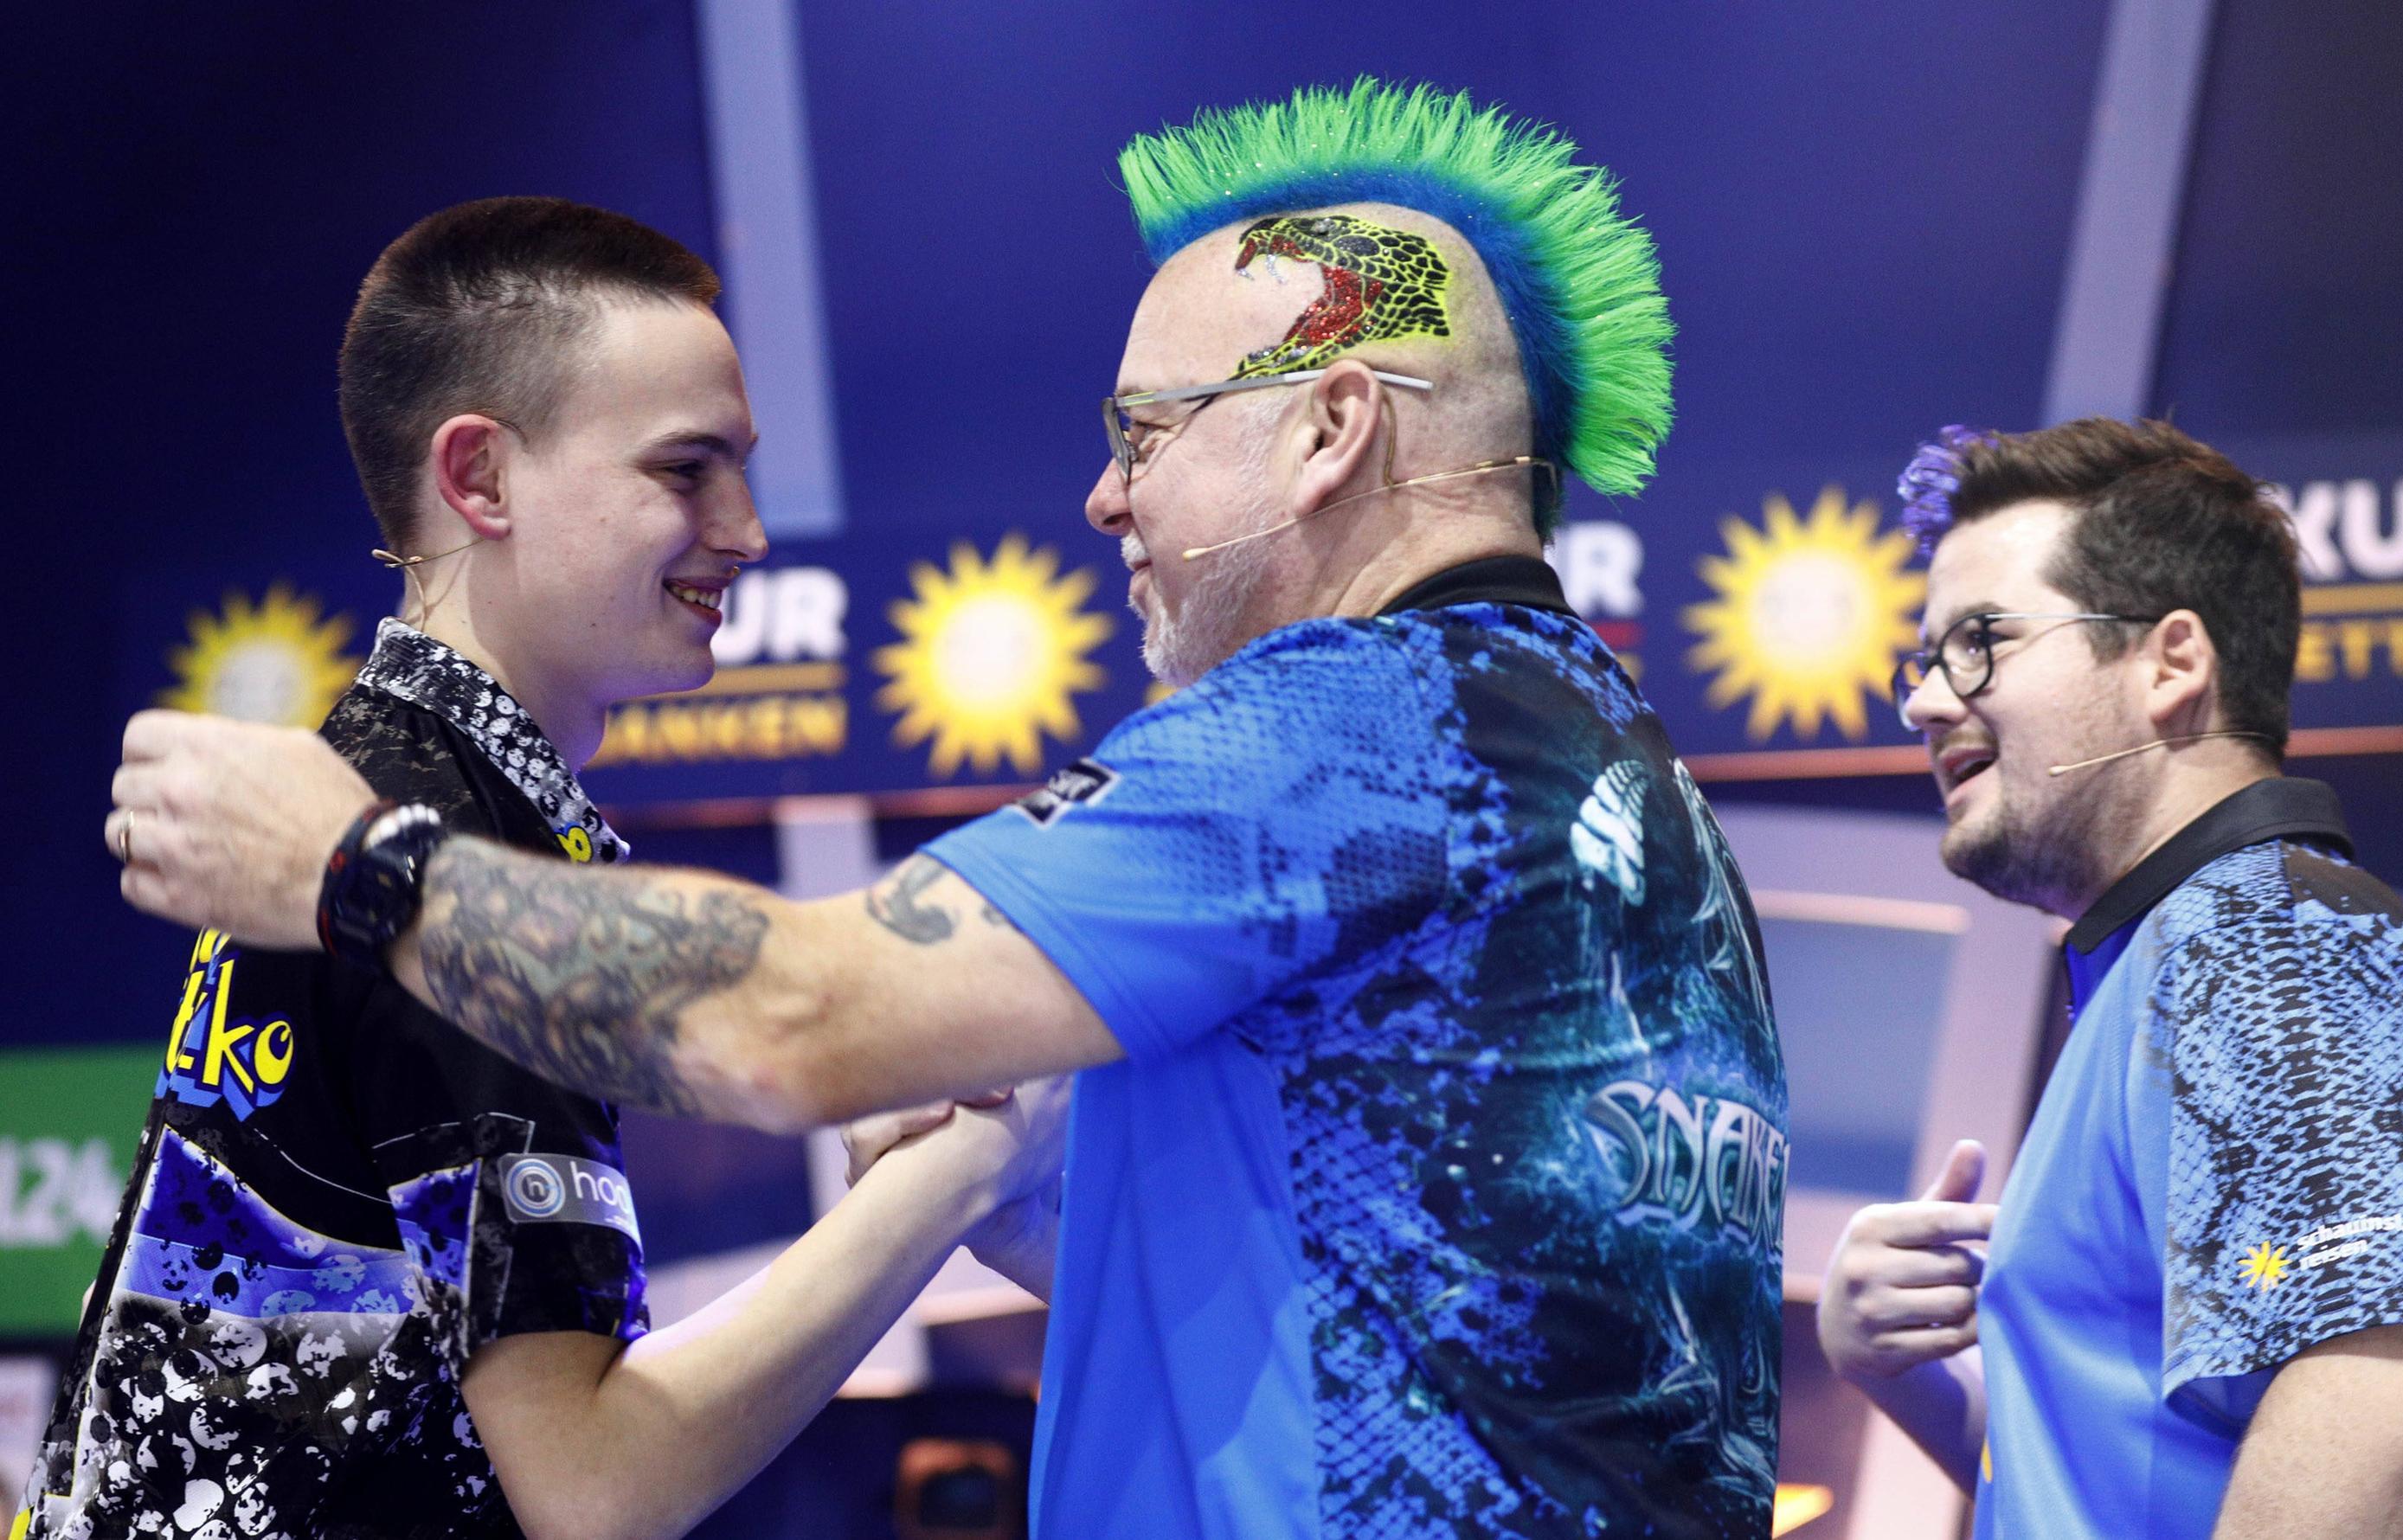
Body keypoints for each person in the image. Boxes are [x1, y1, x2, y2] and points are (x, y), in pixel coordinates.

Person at [102, 81, 1789, 1537]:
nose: (1105, 494)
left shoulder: (1349, 728)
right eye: (687, 467)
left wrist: (353, 865)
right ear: (476, 477)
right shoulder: (1639, 796)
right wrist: (999, 1177)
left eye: (1146, 431)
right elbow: (1381, 1291)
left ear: (1329, 429)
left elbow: (791, 1019)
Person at [19, 197, 1066, 1540]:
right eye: (685, 470)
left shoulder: (397, 795)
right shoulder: (435, 850)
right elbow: (598, 1483)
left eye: (740, 469)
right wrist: (966, 1170)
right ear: (482, 479)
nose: (747, 530)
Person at [1815, 416, 2403, 1537]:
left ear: (2172, 664)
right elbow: (2113, 1487)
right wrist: (1898, 1372)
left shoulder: (2257, 942)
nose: (1929, 700)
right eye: (1927, 659)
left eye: (1982, 641)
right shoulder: (2184, 953)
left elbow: (2387, 1396)